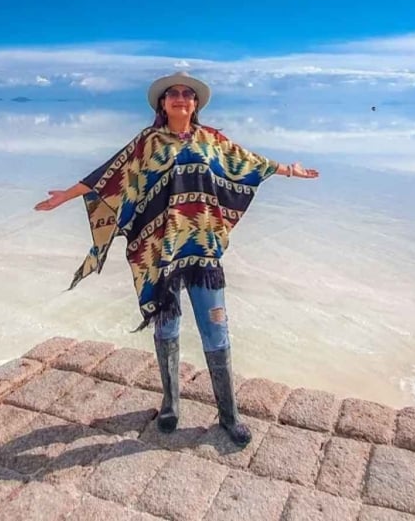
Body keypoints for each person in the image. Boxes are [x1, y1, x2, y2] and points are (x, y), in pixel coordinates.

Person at [34, 71, 320, 446]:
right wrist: (66, 196)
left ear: (195, 104)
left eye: (188, 94)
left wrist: (289, 171)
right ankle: (170, 404)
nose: (181, 97)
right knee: (166, 329)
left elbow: (250, 162)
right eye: (173, 94)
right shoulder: (148, 142)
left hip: (203, 253)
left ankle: (229, 415)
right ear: (163, 104)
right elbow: (110, 174)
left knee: (215, 329)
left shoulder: (211, 140)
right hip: (162, 255)